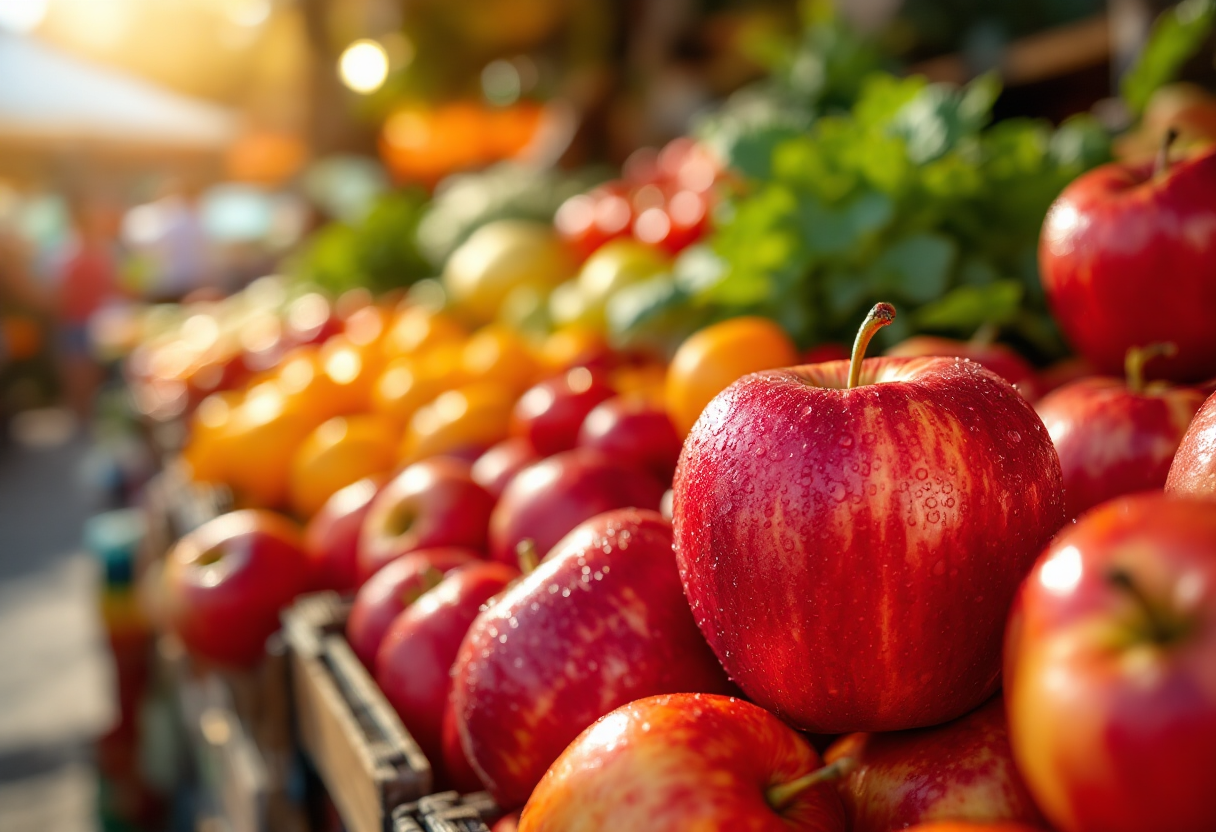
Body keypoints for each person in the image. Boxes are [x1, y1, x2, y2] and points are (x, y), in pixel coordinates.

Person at [55, 195, 120, 419]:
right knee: (84, 373)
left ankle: (83, 417)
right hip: (83, 320)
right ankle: (84, 417)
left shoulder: (71, 254)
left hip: (83, 320)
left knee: (81, 373)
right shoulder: (97, 253)